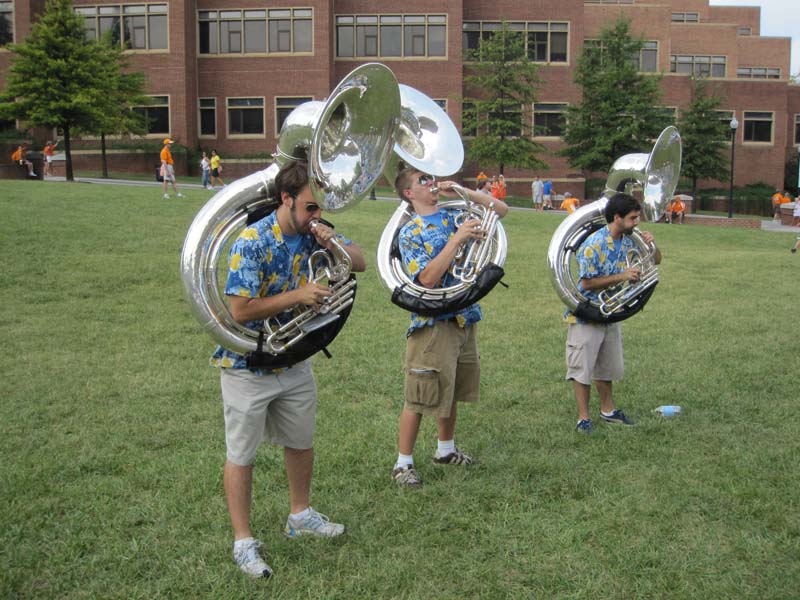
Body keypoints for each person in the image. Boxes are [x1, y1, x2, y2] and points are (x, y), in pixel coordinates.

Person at [210, 159, 366, 578]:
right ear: (286, 199)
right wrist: (298, 295)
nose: (317, 216)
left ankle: (300, 515)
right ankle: (243, 541)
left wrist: (334, 243)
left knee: (301, 442)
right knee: (242, 454)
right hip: (249, 363)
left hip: (294, 357)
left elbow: (361, 262)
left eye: (320, 209)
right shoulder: (252, 241)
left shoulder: (316, 233)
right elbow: (240, 310)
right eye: (311, 208)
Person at [390, 167, 508, 487]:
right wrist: (457, 240)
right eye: (422, 181)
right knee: (419, 393)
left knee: (451, 388)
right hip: (433, 323)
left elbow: (500, 209)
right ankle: (403, 463)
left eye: (431, 179)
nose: (431, 184)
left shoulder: (450, 214)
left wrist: (462, 191)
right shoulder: (410, 231)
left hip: (465, 316)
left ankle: (445, 450)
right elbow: (427, 279)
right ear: (409, 194)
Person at [565, 192, 661, 434]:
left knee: (606, 367)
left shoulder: (630, 240)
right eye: (632, 218)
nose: (637, 222)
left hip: (612, 312)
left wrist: (653, 245)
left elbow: (655, 260)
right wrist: (623, 276)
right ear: (616, 217)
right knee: (582, 369)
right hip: (587, 313)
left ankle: (608, 411)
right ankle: (583, 418)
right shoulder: (593, 245)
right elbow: (586, 283)